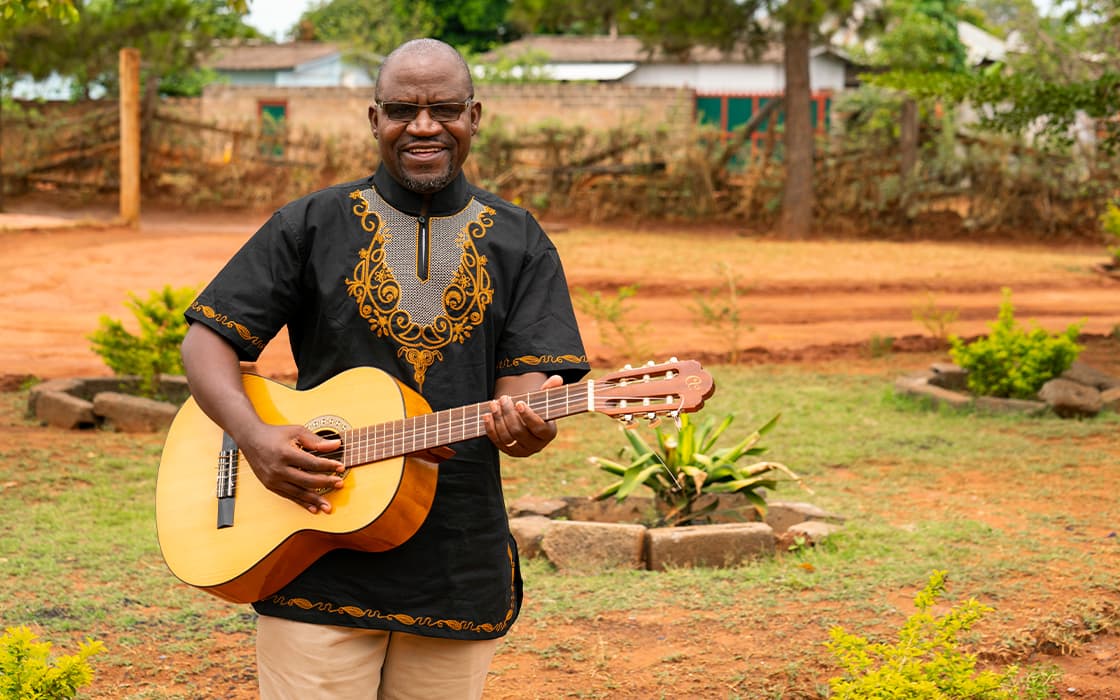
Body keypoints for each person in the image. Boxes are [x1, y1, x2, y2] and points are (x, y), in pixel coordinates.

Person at [180, 38, 589, 699]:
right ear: (375, 120)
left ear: (474, 116)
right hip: (313, 554)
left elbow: (528, 377)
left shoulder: (521, 241)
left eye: (444, 109)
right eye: (402, 109)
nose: (424, 126)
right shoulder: (310, 225)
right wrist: (255, 440)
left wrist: (524, 422)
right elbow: (207, 342)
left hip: (454, 564)